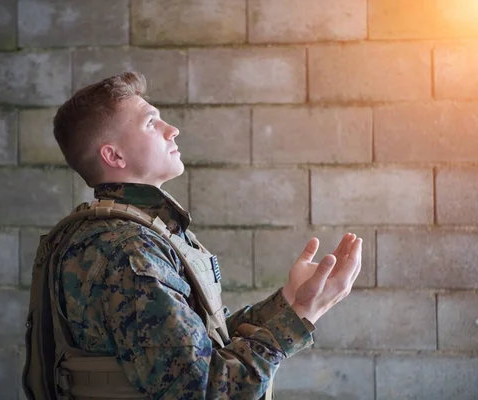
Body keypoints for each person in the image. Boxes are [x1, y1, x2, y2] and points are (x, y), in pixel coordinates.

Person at [23, 71, 362, 400]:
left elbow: (200, 345)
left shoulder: (131, 234)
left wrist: (289, 300)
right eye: (151, 123)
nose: (172, 130)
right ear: (114, 155)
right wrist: (302, 314)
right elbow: (206, 389)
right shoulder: (128, 250)